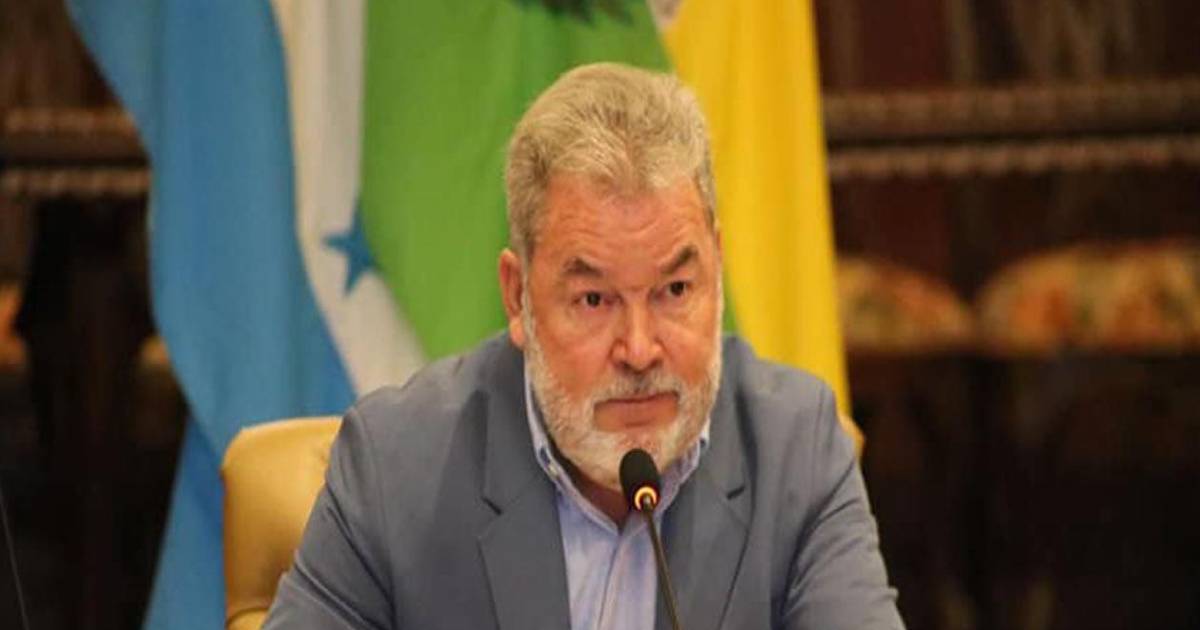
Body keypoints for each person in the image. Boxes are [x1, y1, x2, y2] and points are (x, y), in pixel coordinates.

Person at [264, 62, 904, 630]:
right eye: (594, 300)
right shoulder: (396, 469)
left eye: (675, 290)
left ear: (717, 266)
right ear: (518, 296)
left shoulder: (795, 452)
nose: (640, 350)